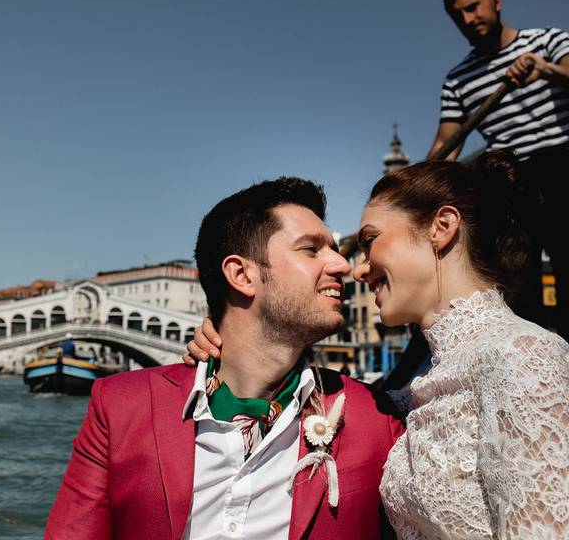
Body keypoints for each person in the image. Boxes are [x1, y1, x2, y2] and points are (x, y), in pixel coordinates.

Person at [187, 155, 569, 539]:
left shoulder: (523, 356)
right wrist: (227, 348)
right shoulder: (414, 389)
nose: (356, 268)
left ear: (442, 227)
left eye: (370, 242)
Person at [46, 178, 404, 540]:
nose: (342, 265)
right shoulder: (121, 406)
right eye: (311, 250)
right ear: (241, 275)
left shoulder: (378, 420)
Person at [426, 0, 569, 338]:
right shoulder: (459, 80)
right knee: (518, 285)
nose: (468, 20)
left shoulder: (547, 40)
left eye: (473, 8)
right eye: (459, 17)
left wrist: (545, 69)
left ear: (497, 2)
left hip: (562, 164)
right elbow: (448, 142)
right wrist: (415, 186)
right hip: (512, 180)